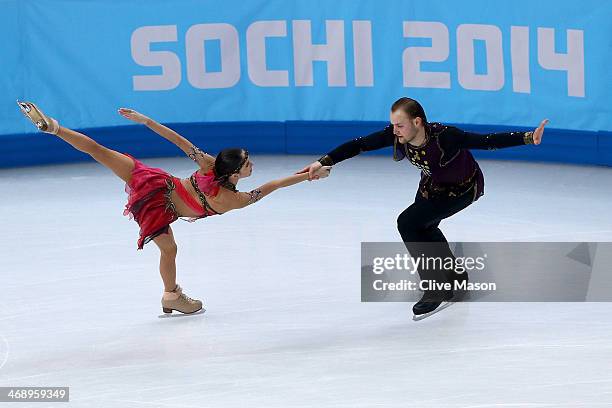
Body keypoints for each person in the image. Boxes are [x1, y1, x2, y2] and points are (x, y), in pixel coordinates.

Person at [17, 101, 331, 315]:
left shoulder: (209, 164)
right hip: (161, 205)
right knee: (169, 249)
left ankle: (55, 129)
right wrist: (307, 176)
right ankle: (171, 295)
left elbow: (178, 141)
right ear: (234, 173)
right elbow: (274, 185)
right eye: (248, 164)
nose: (252, 167)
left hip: (155, 183)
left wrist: (145, 121)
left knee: (100, 151)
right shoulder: (233, 200)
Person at [299, 97, 548, 319]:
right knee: (422, 226)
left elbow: (486, 141)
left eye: (400, 125)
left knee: (408, 222)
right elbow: (359, 144)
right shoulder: (398, 134)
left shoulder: (445, 136)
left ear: (417, 122)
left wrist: (527, 137)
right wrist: (323, 161)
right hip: (433, 186)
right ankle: (455, 276)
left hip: (463, 188)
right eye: (393, 125)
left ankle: (436, 286)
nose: (394, 131)